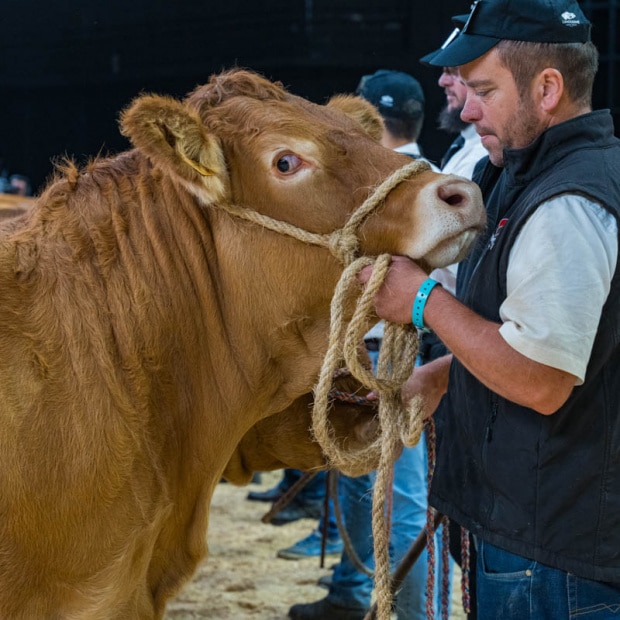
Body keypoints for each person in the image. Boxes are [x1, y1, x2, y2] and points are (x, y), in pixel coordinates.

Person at [359, 1, 620, 618]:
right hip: (530, 530)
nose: (467, 108)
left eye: (483, 90)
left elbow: (544, 378)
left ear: (548, 87)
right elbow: (550, 341)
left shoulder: (569, 202)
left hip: (555, 553)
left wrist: (421, 300)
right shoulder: (520, 175)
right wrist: (441, 376)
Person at [288, 69, 450, 620]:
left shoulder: (406, 187)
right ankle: (353, 594)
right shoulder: (428, 179)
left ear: (370, 120)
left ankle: (409, 613)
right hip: (367, 352)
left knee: (396, 494)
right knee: (363, 485)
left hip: (391, 356)